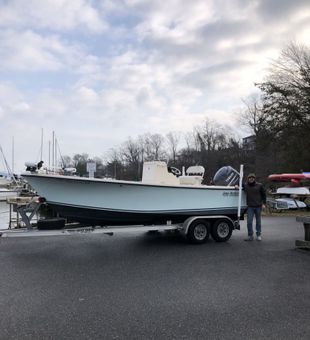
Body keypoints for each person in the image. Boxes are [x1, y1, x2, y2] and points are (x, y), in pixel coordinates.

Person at [243, 173, 266, 241]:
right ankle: (250, 236)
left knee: (258, 222)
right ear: (248, 179)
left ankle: (258, 235)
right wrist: (236, 185)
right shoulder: (245, 185)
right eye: (250, 178)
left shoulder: (259, 185)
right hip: (250, 207)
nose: (251, 179)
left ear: (254, 179)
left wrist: (264, 203)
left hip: (258, 206)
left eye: (252, 178)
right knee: (249, 222)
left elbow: (264, 194)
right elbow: (240, 184)